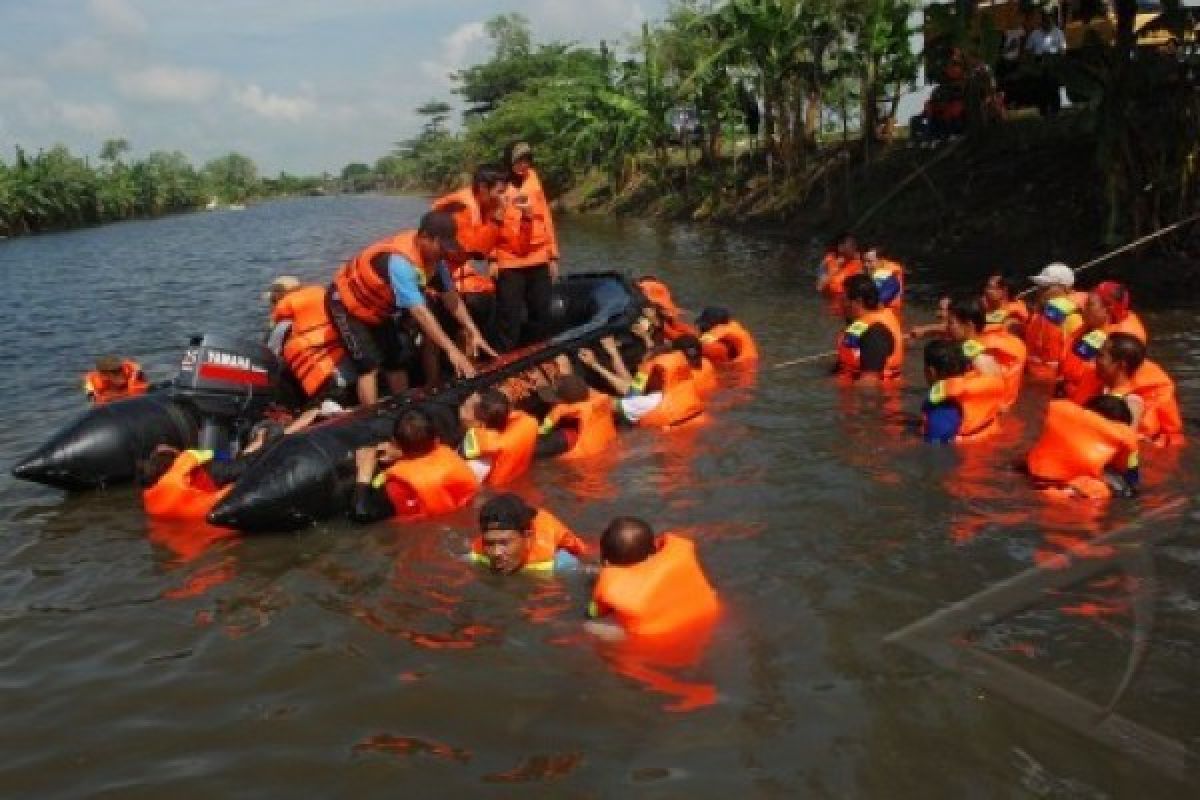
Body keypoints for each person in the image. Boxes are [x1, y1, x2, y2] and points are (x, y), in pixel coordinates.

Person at [328, 210, 495, 406]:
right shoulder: (399, 263)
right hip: (346, 305)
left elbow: (452, 299)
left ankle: (406, 408)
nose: (444, 253)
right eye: (440, 247)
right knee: (368, 367)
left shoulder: (436, 262)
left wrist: (474, 332)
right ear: (424, 237)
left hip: (379, 309)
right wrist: (452, 350)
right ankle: (372, 420)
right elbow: (419, 311)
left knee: (398, 360)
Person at [432, 164, 533, 346]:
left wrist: (527, 217)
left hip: (457, 274)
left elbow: (519, 249)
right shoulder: (459, 208)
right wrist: (498, 217)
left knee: (504, 300)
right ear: (483, 189)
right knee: (478, 302)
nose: (504, 197)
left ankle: (486, 352)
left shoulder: (491, 207)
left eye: (505, 192)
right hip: (435, 277)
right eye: (500, 192)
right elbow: (474, 252)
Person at [586, 517, 719, 639]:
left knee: (589, 626)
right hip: (707, 615)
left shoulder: (610, 585)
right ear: (653, 550)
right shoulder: (677, 554)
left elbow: (593, 612)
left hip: (655, 637)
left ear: (606, 562)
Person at [492, 142, 562, 352]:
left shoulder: (534, 179)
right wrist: (492, 259)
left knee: (541, 314)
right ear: (509, 161)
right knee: (509, 318)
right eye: (518, 160)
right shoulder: (499, 184)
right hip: (509, 259)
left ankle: (540, 357)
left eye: (527, 160)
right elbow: (490, 225)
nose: (524, 164)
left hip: (538, 256)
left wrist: (552, 256)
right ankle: (506, 365)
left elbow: (546, 219)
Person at [351, 408, 479, 522]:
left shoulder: (396, 483)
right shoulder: (456, 458)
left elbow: (362, 514)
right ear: (436, 439)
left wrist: (364, 472)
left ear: (395, 442)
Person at [578, 334, 705, 429]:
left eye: (645, 372)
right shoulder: (685, 386)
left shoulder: (650, 402)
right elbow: (633, 391)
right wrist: (613, 353)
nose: (642, 373)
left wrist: (571, 381)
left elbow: (606, 403)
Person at [1025, 395, 1141, 500]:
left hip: (1033, 476)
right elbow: (1132, 481)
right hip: (1077, 491)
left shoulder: (1060, 417)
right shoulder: (1123, 440)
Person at [268, 277, 356, 405]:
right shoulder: (328, 307)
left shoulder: (283, 325)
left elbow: (271, 361)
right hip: (354, 376)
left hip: (329, 387)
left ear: (277, 299)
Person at [1057, 281, 1146, 404]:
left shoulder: (1116, 343)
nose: (1083, 309)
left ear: (1108, 309)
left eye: (1089, 305)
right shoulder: (1087, 331)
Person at [1096, 332, 1185, 446]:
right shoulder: (1097, 383)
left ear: (1121, 365)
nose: (1095, 360)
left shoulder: (1131, 404)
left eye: (1101, 356)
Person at [469, 493, 592, 574]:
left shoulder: (561, 562)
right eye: (490, 543)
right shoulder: (478, 552)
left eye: (504, 543)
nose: (496, 553)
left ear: (527, 537)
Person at [947, 293, 1026, 409]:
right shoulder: (977, 344)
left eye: (951, 323)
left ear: (969, 325)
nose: (947, 327)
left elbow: (1000, 404)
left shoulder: (981, 358)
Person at [920, 339, 1007, 444]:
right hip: (993, 438)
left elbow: (935, 449)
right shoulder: (980, 386)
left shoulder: (941, 412)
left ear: (931, 372)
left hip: (967, 455)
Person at [535, 359, 618, 461]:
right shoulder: (601, 401)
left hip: (584, 461)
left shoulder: (561, 410)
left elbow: (541, 433)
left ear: (562, 403)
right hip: (609, 453)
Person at [833, 274, 904, 385]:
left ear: (858, 302)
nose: (840, 304)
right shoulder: (860, 325)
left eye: (844, 299)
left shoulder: (875, 333)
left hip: (873, 399)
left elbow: (869, 384)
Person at [459, 389, 539, 486]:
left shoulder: (485, 441)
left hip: (494, 488)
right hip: (519, 476)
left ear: (482, 424)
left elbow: (460, 456)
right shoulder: (530, 422)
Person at [1024, 262, 1084, 380]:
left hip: (1055, 389)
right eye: (1039, 286)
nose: (1040, 291)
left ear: (1065, 288)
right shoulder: (1037, 316)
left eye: (1046, 287)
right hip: (1032, 385)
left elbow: (1077, 365)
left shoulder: (1073, 319)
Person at [1025, 10, 1067, 117]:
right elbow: (1028, 49)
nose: (1048, 23)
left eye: (1050, 21)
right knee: (1041, 87)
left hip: (1053, 61)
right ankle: (1043, 110)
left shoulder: (1058, 32)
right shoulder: (1035, 33)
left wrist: (1056, 57)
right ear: (1042, 22)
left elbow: (1063, 49)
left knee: (1053, 86)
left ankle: (1055, 109)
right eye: (1046, 21)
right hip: (1040, 62)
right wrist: (1033, 61)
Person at [637, 276, 697, 341]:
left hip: (667, 318)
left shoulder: (647, 292)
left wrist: (658, 323)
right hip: (671, 315)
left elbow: (682, 339)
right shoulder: (658, 287)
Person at [695, 307, 759, 366]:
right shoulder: (733, 325)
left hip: (742, 365)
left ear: (713, 324)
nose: (701, 329)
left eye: (704, 326)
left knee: (710, 348)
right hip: (750, 360)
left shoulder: (721, 329)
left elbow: (697, 344)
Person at [84, 355, 148, 405]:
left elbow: (144, 387)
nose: (118, 373)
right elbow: (95, 402)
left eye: (119, 369)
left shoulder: (133, 371)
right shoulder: (93, 383)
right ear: (103, 374)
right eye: (114, 372)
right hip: (111, 400)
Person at [816, 232, 863, 298]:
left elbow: (859, 289)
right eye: (852, 245)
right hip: (829, 298)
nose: (855, 247)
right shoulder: (829, 260)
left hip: (845, 300)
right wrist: (836, 267)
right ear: (840, 247)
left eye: (855, 244)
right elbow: (819, 287)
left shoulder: (857, 263)